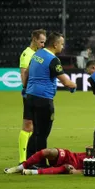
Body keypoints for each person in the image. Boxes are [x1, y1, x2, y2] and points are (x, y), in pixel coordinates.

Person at [23, 32, 77, 166]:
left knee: (35, 131)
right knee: (42, 133)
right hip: (43, 99)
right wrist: (73, 85)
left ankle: (29, 160)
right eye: (62, 44)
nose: (62, 47)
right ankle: (40, 162)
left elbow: (27, 72)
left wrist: (26, 87)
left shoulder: (37, 54)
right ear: (55, 44)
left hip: (30, 97)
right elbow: (65, 82)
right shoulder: (53, 59)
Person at [18, 29, 46, 164]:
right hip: (29, 93)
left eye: (44, 42)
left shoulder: (38, 54)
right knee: (28, 125)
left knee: (35, 127)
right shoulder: (27, 54)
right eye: (41, 42)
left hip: (37, 94)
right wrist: (25, 88)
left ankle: (32, 157)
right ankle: (22, 159)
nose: (43, 45)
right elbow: (24, 73)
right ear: (34, 39)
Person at [4, 147, 95, 175]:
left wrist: (76, 171)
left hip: (73, 164)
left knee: (65, 168)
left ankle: (32, 172)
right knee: (47, 152)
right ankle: (20, 167)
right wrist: (93, 149)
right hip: (69, 155)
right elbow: (90, 150)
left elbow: (91, 170)